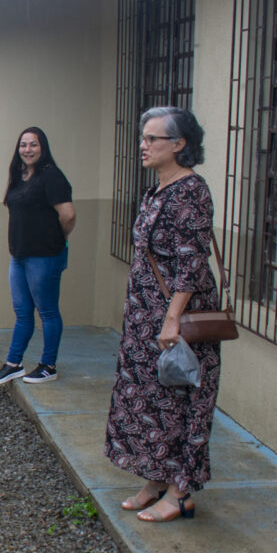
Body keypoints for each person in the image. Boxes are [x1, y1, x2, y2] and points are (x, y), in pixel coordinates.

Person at [106, 107, 220, 523]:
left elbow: (192, 263)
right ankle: (155, 479)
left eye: (153, 138)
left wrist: (172, 319)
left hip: (176, 319)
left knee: (179, 402)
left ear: (179, 144)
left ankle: (180, 491)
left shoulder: (191, 192)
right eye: (143, 137)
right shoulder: (157, 190)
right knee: (148, 401)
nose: (144, 144)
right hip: (144, 317)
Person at [0, 127, 77, 386]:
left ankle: (48, 365)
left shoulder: (52, 177)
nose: (28, 150)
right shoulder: (20, 175)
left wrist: (59, 239)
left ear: (43, 147)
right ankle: (14, 364)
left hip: (45, 256)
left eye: (33, 145)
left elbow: (68, 216)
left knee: (47, 312)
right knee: (23, 312)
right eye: (23, 145)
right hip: (19, 256)